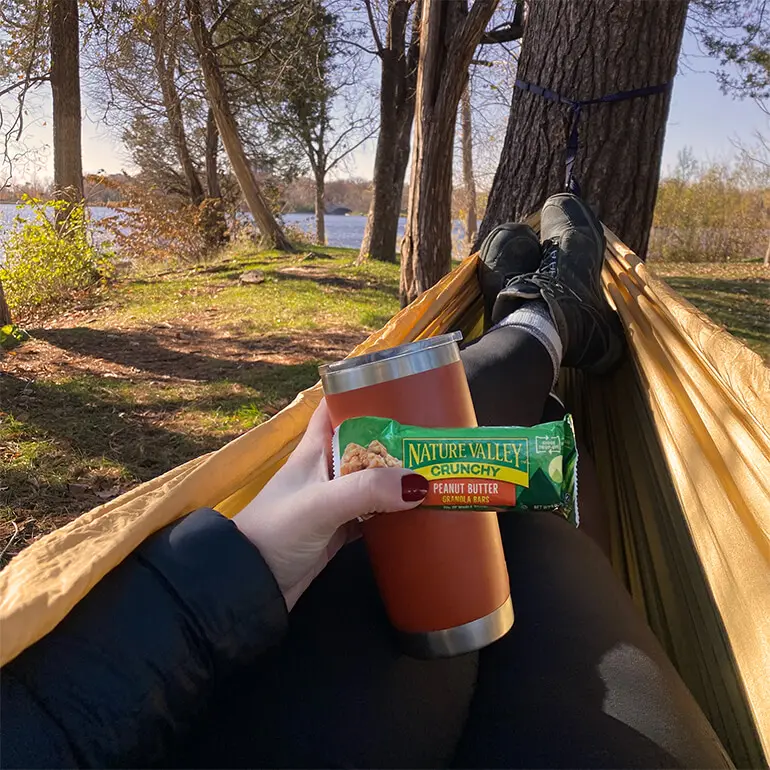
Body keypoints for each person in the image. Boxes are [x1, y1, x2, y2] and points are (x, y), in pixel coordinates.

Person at [0, 194, 731, 769]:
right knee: (526, 525)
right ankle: (543, 325)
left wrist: (242, 570)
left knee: (449, 511)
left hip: (157, 697)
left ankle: (539, 330)